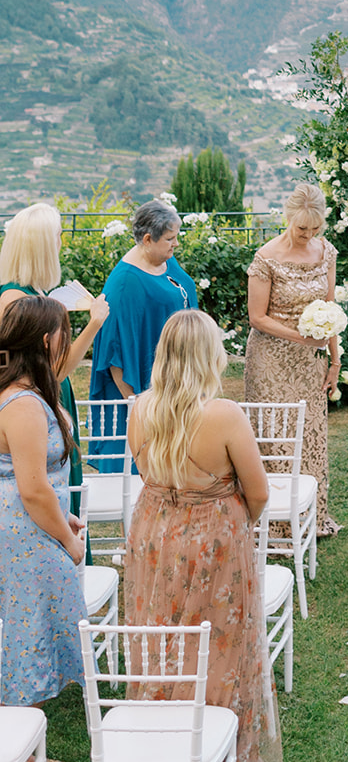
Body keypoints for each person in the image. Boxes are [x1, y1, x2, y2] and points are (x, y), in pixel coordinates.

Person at [125, 309, 287, 762]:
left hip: (153, 536)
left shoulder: (139, 409)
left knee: (161, 640)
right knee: (220, 646)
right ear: (209, 355)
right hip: (215, 541)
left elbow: (145, 471)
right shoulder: (224, 415)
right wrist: (227, 522)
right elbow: (259, 493)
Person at [0, 296, 88, 707]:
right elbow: (32, 488)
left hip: (31, 521)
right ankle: (28, 758)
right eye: (64, 333)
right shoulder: (21, 404)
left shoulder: (27, 393)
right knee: (26, 630)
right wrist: (69, 544)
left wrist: (63, 516)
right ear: (48, 340)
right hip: (20, 528)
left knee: (29, 625)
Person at [0, 203, 110, 518]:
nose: (62, 242)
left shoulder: (33, 292)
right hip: (37, 399)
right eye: (58, 236)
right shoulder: (17, 300)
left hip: (48, 396)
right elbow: (56, 371)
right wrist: (94, 324)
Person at [244, 182, 341, 536]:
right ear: (289, 219)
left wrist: (334, 360)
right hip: (271, 360)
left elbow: (329, 310)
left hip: (310, 362)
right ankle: (275, 523)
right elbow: (257, 317)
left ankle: (310, 516)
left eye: (315, 229)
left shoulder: (326, 252)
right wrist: (302, 337)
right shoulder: (266, 258)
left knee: (309, 433)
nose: (308, 235)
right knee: (275, 433)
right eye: (302, 228)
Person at [88, 200, 198, 470]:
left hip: (174, 377)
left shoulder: (163, 260)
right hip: (142, 393)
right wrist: (139, 406)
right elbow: (115, 354)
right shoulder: (126, 283)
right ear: (148, 239)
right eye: (170, 239)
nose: (176, 244)